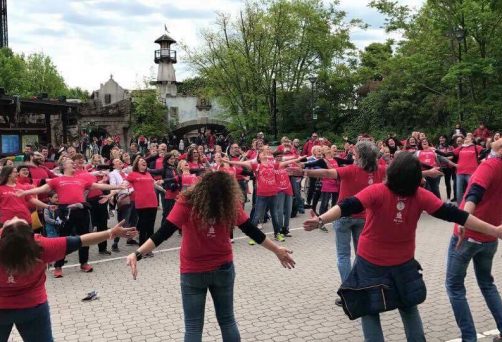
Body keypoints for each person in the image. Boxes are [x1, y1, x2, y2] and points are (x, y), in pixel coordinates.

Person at [303, 152, 502, 342]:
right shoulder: (421, 196)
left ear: (393, 172)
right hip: (403, 263)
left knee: (369, 310)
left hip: (370, 262)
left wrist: (321, 220)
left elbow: (347, 205)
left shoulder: (377, 191)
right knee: (408, 306)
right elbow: (458, 215)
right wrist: (494, 230)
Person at [125, 171, 295, 342]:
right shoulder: (230, 204)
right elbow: (252, 231)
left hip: (192, 272)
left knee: (193, 327)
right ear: (229, 190)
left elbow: (163, 233)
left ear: (201, 184)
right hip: (223, 269)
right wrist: (276, 250)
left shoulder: (187, 202)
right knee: (227, 321)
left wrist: (137, 254)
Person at [0, 217, 136, 342]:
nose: (15, 216)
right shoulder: (42, 246)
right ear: (31, 239)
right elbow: (82, 240)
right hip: (33, 308)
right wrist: (110, 232)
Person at [15, 158, 126, 277]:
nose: (73, 164)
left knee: (85, 237)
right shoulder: (57, 180)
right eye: (70, 163)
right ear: (63, 167)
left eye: (73, 162)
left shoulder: (81, 179)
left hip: (81, 210)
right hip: (65, 211)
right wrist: (25, 193)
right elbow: (42, 189)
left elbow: (98, 185)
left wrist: (118, 187)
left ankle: (84, 263)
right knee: (62, 239)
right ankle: (58, 266)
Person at [445, 138, 502, 342]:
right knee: (487, 283)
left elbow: (474, 195)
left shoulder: (489, 166)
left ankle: (469, 338)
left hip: (468, 236)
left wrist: (463, 222)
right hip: (490, 237)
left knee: (454, 286)